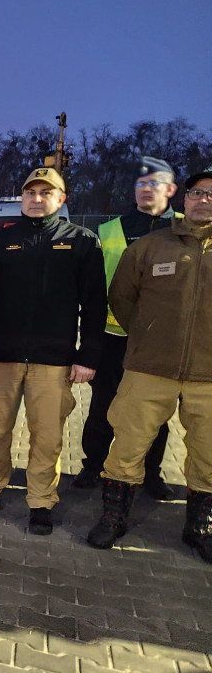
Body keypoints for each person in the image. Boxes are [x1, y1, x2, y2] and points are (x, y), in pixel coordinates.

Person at [0, 167, 106, 535]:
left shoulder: (82, 242)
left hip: (54, 361)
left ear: (61, 199)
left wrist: (88, 356)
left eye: (46, 193)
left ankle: (41, 501)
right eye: (30, 193)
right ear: (22, 197)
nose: (37, 199)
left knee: (47, 437)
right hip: (2, 357)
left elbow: (95, 304)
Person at [87, 165, 212, 560]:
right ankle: (113, 516)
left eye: (211, 194)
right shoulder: (151, 246)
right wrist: (147, 335)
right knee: (127, 443)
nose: (203, 200)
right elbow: (122, 298)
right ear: (184, 197)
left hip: (208, 376)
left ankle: (200, 527)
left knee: (209, 452)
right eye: (197, 192)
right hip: (148, 368)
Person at [74, 157, 179, 498]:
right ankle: (93, 466)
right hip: (113, 337)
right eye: (141, 184)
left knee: (155, 412)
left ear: (171, 189)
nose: (146, 189)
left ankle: (150, 473)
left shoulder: (185, 227)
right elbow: (94, 290)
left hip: (162, 341)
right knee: (103, 407)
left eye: (154, 183)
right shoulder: (109, 230)